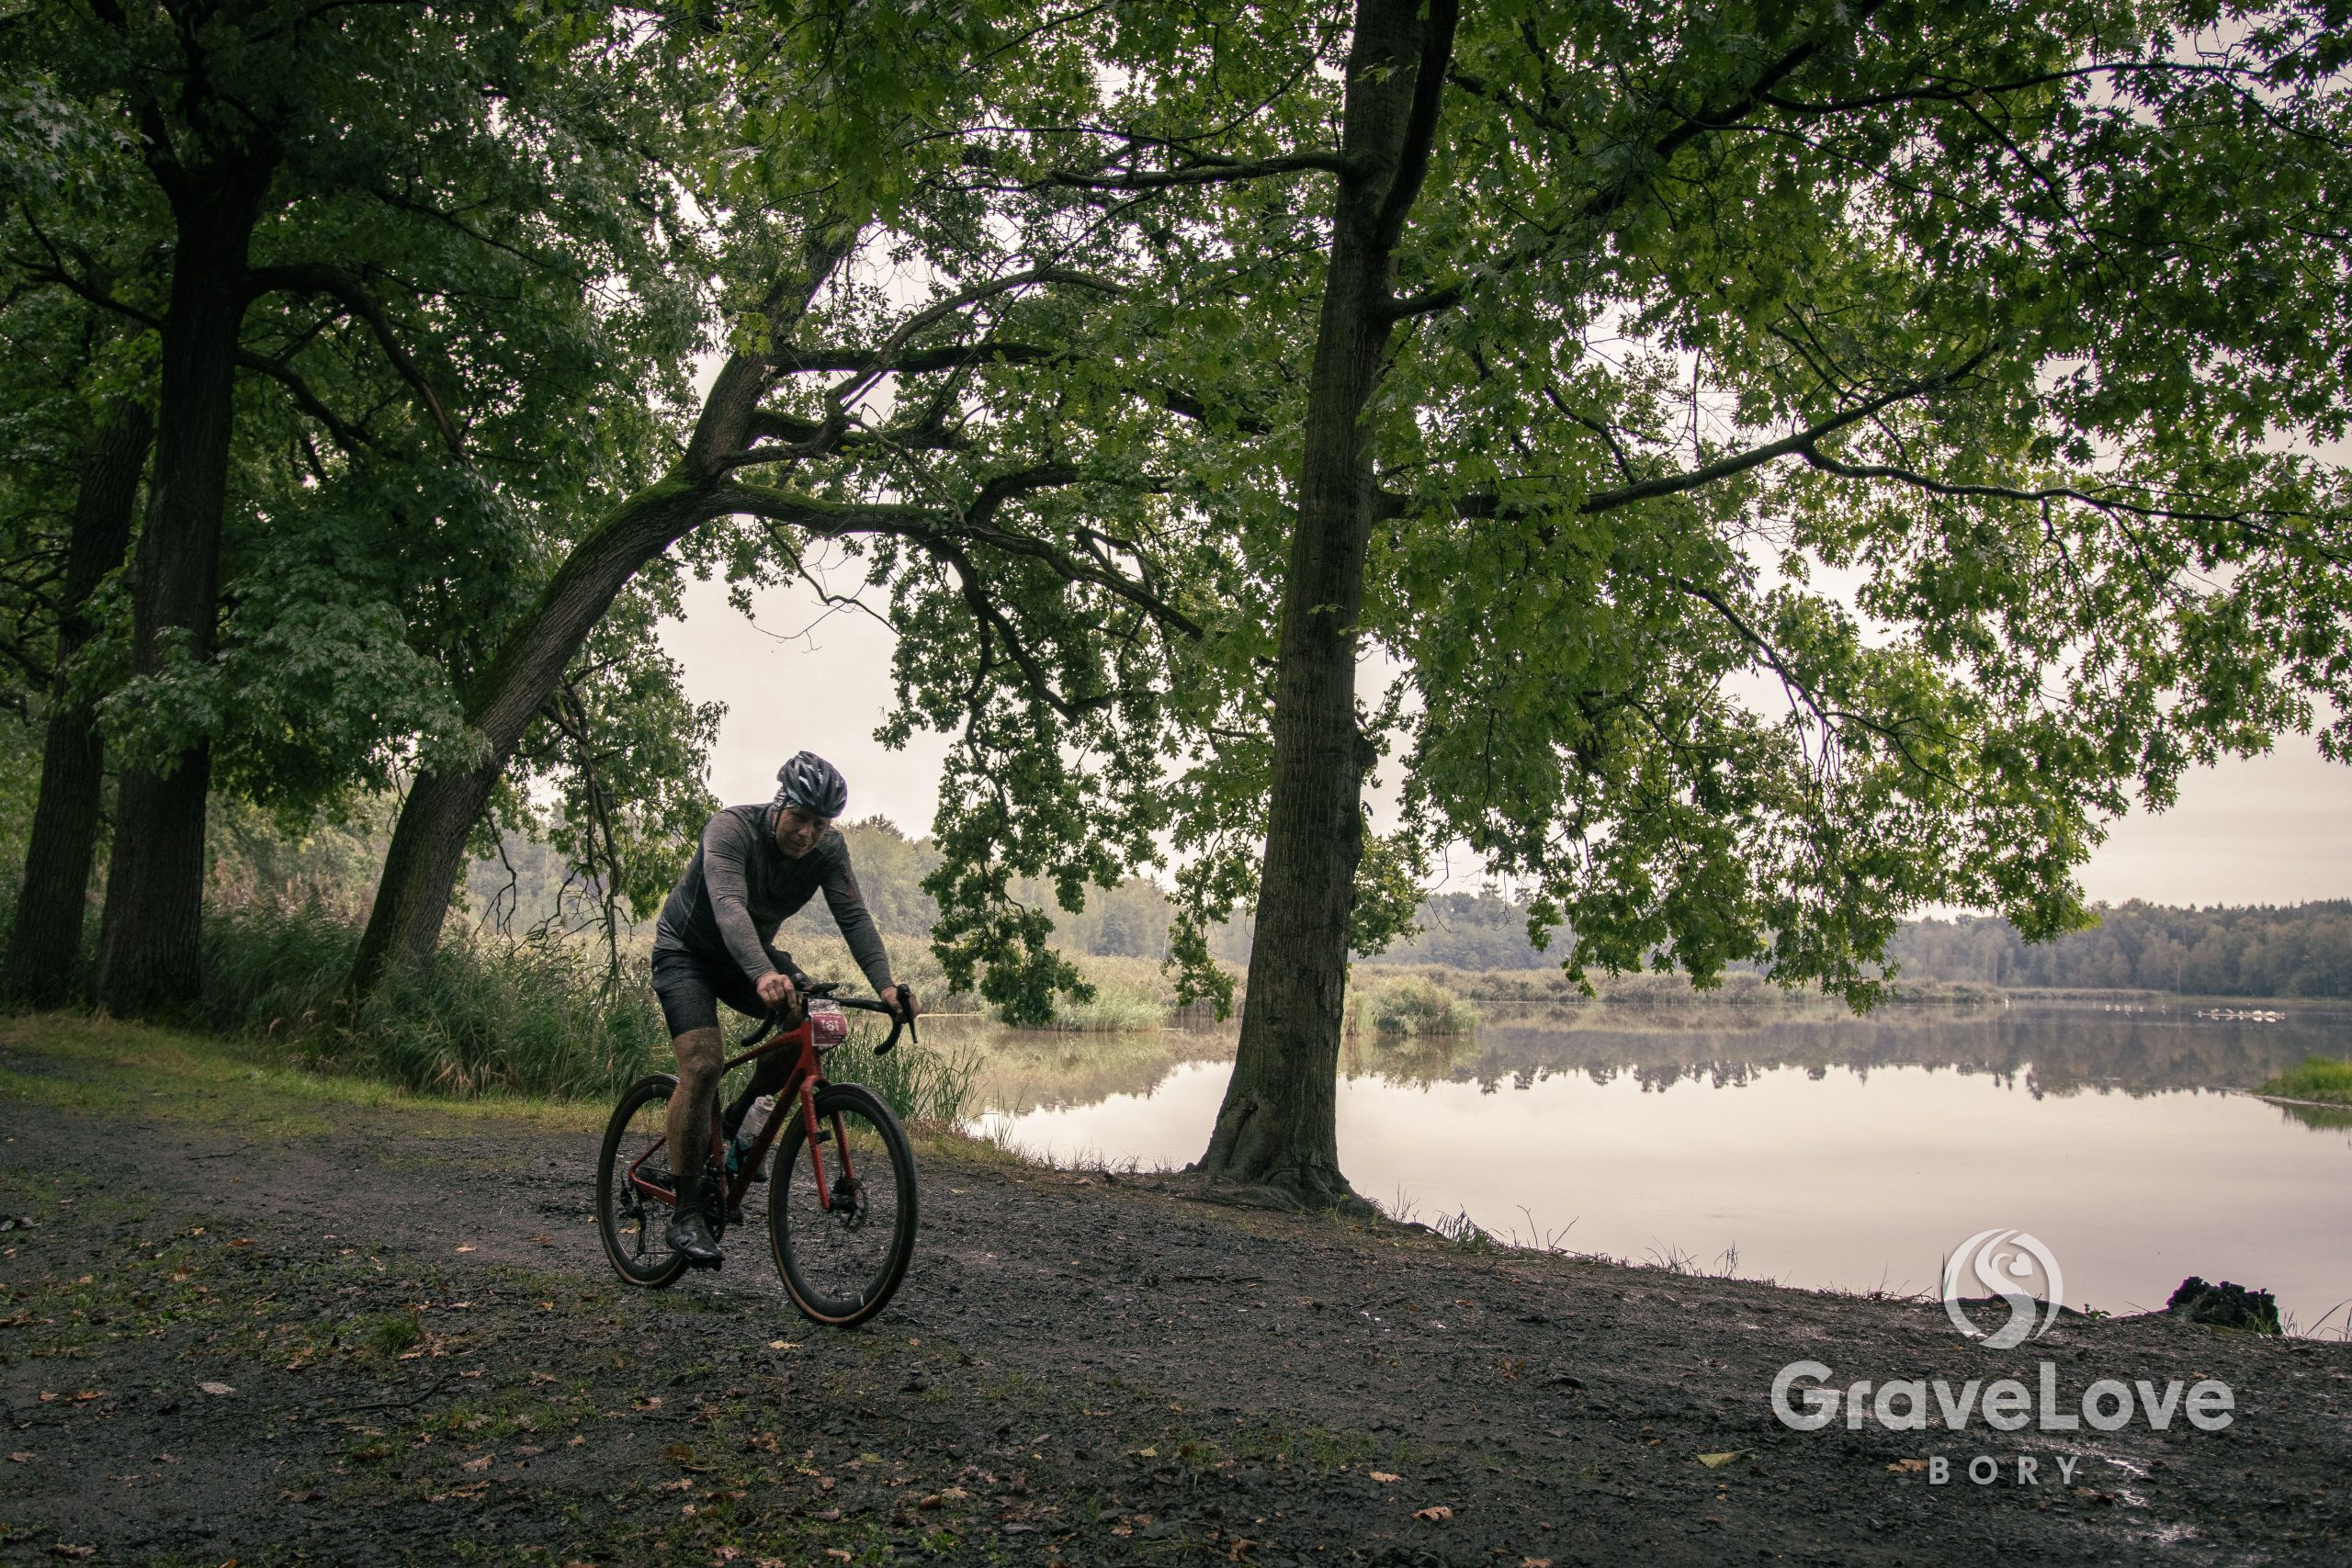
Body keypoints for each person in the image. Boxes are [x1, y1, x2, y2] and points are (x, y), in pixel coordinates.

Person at [648, 750, 914, 1267]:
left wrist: (886, 987)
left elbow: (854, 917)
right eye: (800, 818)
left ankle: (737, 1121)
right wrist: (762, 972)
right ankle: (686, 1213)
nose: (808, 833)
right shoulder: (731, 831)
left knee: (814, 1021)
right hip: (687, 952)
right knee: (702, 1064)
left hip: (751, 955)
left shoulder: (828, 850)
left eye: (820, 824)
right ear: (778, 805)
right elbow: (728, 906)